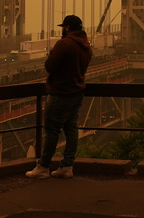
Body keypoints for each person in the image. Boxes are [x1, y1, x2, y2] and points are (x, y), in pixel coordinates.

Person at [26, 14, 93, 179]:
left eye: (63, 27)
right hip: (77, 93)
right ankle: (67, 166)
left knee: (51, 130)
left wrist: (52, 53)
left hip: (60, 94)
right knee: (71, 129)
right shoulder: (87, 47)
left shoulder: (64, 44)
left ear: (67, 28)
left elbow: (49, 66)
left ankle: (43, 167)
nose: (62, 30)